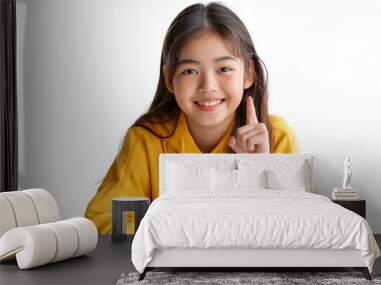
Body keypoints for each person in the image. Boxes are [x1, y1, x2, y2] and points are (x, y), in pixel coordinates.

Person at [85, 2, 300, 234]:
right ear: (168, 78)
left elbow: (298, 227)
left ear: (249, 73)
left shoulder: (275, 135)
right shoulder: (146, 139)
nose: (208, 86)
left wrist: (259, 172)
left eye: (224, 69)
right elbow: (103, 222)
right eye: (190, 71)